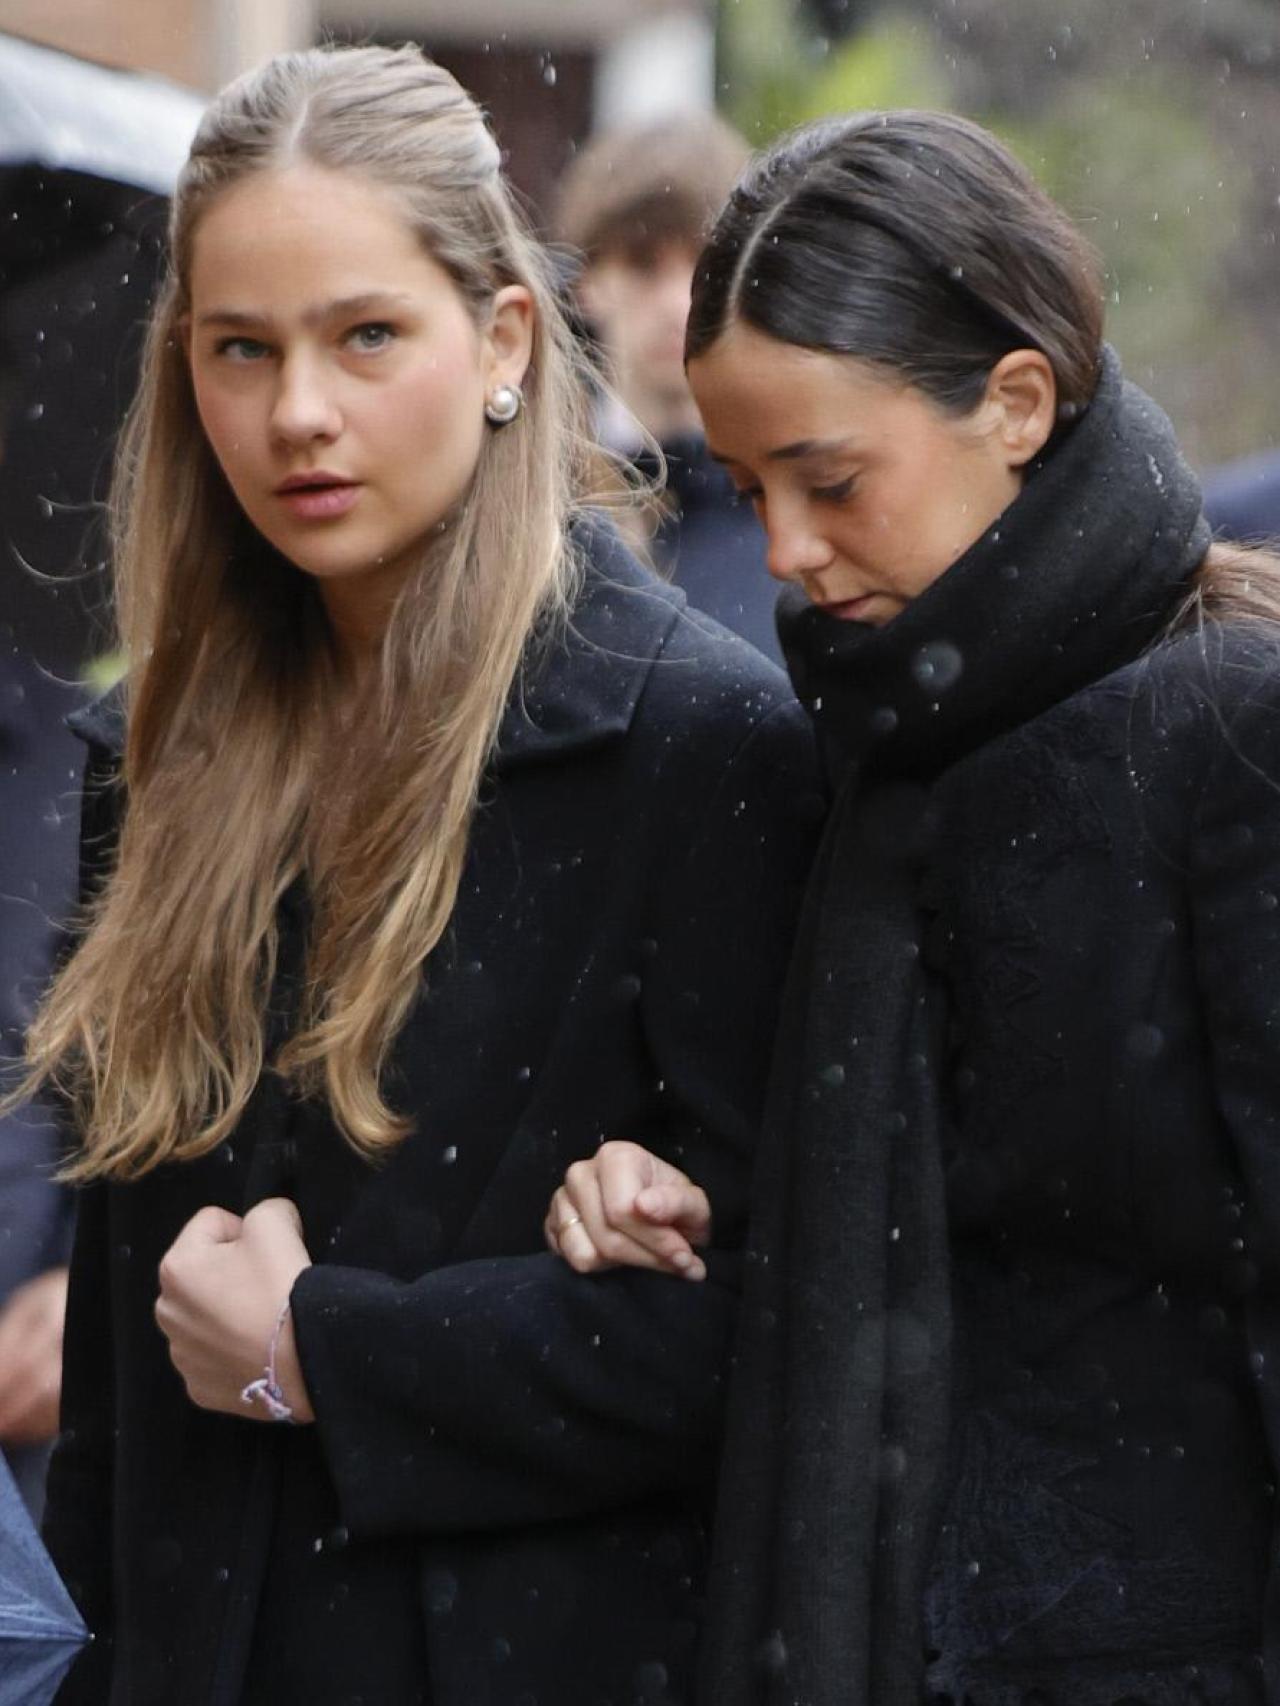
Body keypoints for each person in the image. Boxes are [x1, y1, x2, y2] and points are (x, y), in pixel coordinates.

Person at [11, 45, 821, 1706]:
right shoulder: (158, 760)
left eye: (366, 335)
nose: (298, 410)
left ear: (506, 340)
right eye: (242, 348)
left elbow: (780, 1342)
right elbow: (119, 1363)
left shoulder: (701, 744)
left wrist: (335, 1357)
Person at [547, 109, 1280, 1704]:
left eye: (828, 480)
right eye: (749, 487)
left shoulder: (1228, 732)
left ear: (1018, 401)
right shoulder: (879, 751)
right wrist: (672, 1197)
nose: (791, 553)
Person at [555, 115, 781, 662]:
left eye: (707, 264)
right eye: (643, 264)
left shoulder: (795, 509)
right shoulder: (537, 502)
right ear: (589, 282)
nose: (678, 301)